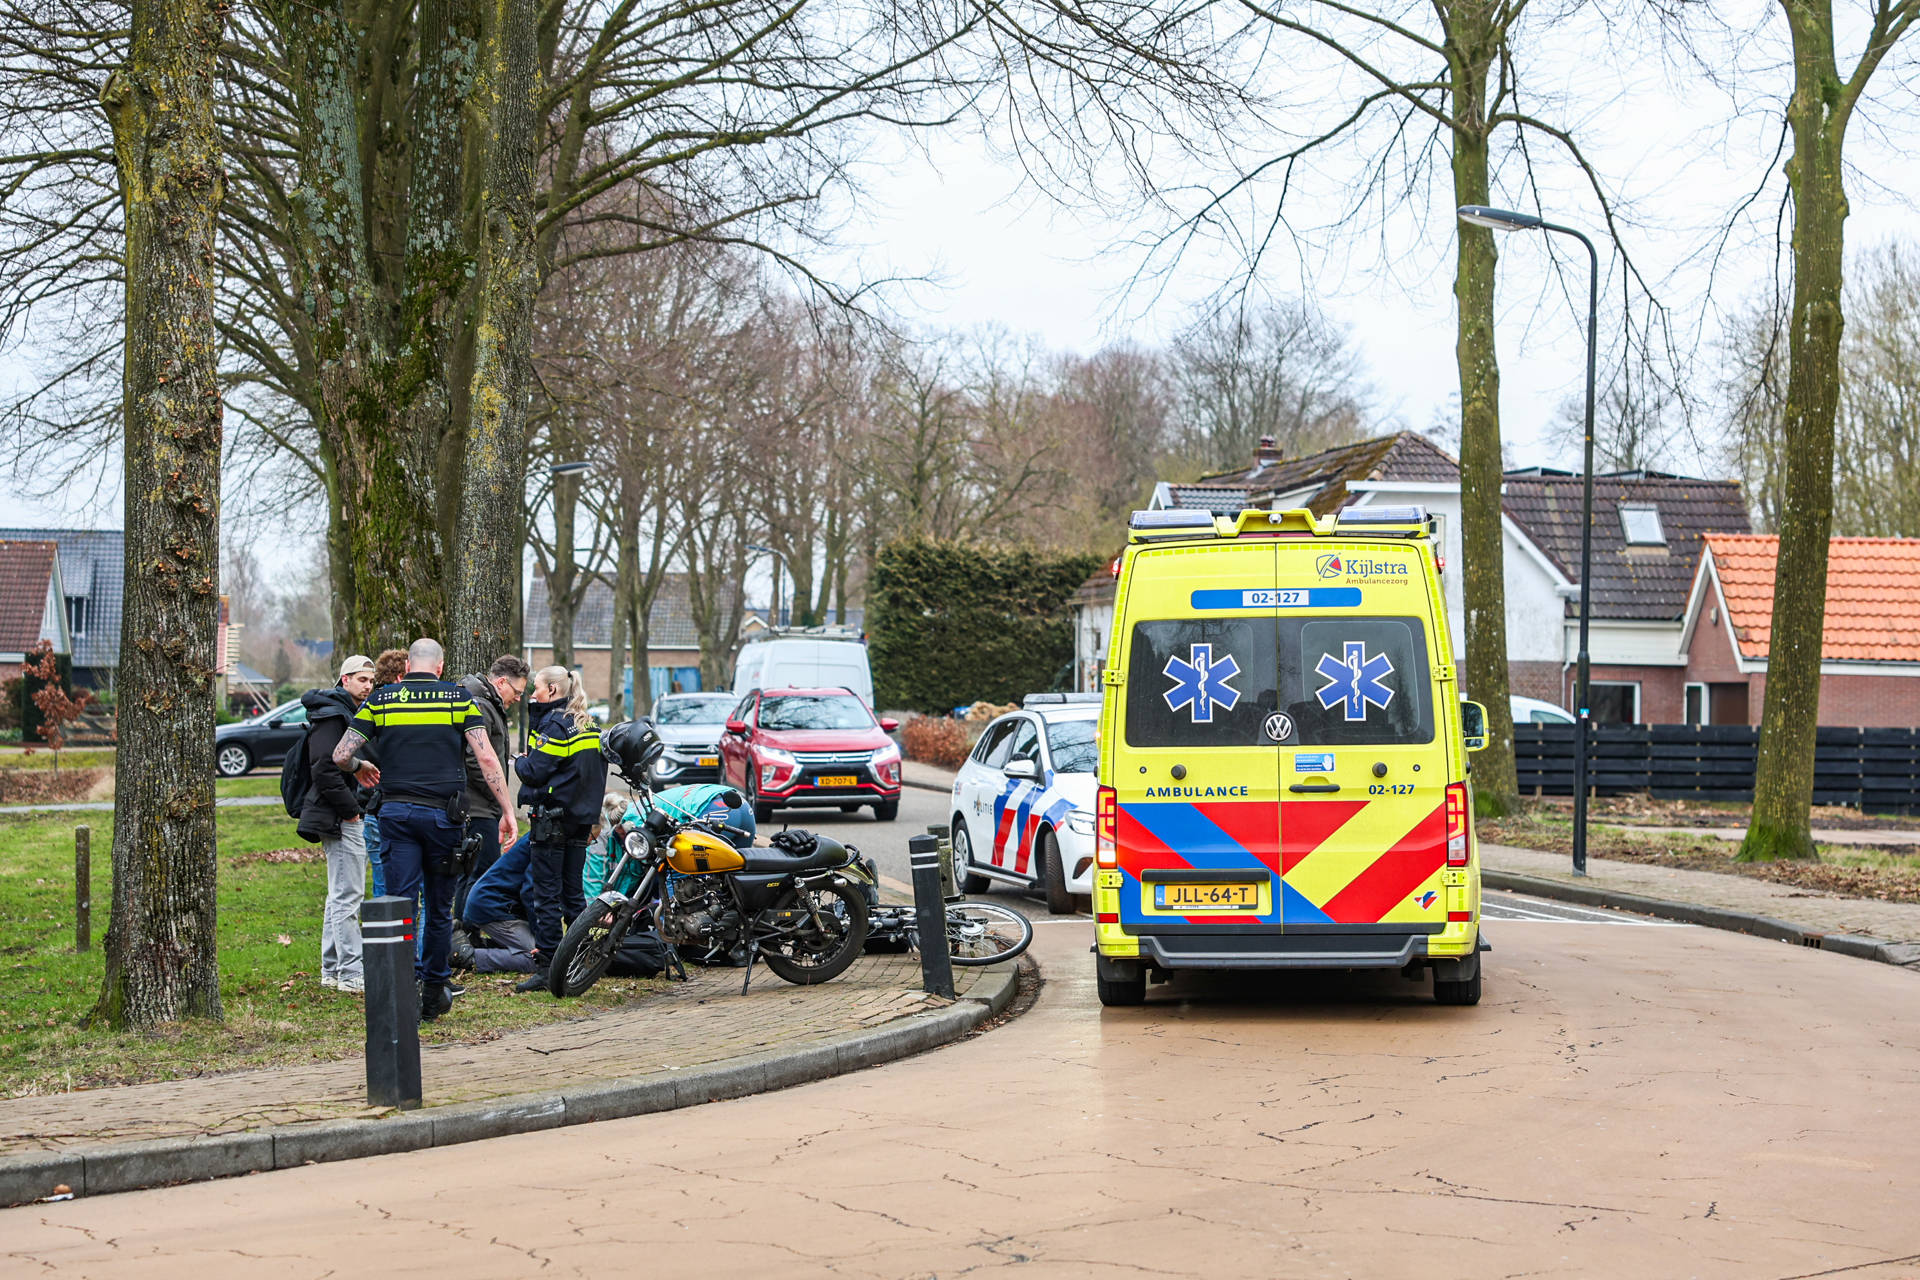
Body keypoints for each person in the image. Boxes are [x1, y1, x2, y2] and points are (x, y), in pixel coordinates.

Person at [333, 637, 515, 1021]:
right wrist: (506, 810)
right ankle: (434, 989)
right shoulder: (458, 700)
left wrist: (359, 768)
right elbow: (486, 758)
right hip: (443, 819)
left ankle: (402, 990)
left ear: (407, 666)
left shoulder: (382, 700)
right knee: (438, 906)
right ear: (440, 666)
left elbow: (341, 754)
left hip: (396, 816)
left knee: (400, 904)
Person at [512, 666, 607, 993]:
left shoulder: (555, 726)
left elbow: (534, 771)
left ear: (552, 690)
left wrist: (518, 761)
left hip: (553, 821)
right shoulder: (589, 723)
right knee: (573, 895)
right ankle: (581, 963)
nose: (532, 694)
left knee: (546, 896)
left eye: (537, 688)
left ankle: (549, 968)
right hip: (580, 820)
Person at [299, 654, 380, 993]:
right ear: (344, 680)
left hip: (342, 813)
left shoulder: (346, 711)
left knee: (339, 895)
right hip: (339, 815)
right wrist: (351, 811)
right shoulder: (332, 715)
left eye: (372, 681)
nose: (368, 686)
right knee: (349, 896)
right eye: (362, 679)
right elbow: (323, 767)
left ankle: (331, 970)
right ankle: (350, 972)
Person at [455, 655, 529, 917]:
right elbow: (476, 761)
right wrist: (499, 799)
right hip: (478, 807)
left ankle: (463, 930)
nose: (518, 698)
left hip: (481, 806)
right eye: (517, 692)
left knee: (471, 874)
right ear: (501, 682)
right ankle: (467, 932)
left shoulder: (486, 704)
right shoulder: (482, 706)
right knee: (480, 874)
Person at [361, 648, 410, 899]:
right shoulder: (401, 711)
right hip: (399, 806)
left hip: (372, 807)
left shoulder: (366, 708)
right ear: (401, 677)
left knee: (382, 887)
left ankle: (382, 926)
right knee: (418, 886)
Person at [454, 833, 538, 975]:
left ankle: (477, 944)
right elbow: (531, 893)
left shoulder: (551, 834)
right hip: (493, 906)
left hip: (499, 905)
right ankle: (466, 955)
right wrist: (543, 937)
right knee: (541, 958)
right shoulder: (546, 837)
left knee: (550, 949)